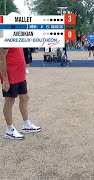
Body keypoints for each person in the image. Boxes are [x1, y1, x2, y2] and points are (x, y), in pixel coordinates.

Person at [0, 12, 41, 140]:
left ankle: (26, 124)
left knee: (24, 97)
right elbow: (1, 58)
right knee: (10, 100)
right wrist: (5, 79)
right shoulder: (4, 34)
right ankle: (9, 129)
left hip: (19, 74)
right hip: (10, 75)